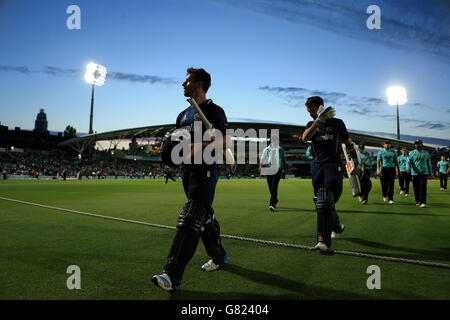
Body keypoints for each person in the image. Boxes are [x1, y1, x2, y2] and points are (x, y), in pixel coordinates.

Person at [152, 67, 229, 292]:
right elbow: (177, 143)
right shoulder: (182, 115)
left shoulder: (215, 111)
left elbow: (224, 142)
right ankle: (220, 256)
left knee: (191, 215)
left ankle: (170, 274)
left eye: (187, 80)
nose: (182, 84)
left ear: (200, 83)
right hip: (186, 171)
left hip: (205, 170)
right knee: (203, 217)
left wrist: (199, 146)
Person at [301, 96, 354, 251]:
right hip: (317, 165)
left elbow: (349, 144)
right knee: (321, 201)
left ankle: (322, 241)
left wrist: (356, 162)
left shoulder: (337, 123)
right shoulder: (311, 124)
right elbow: (304, 138)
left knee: (326, 198)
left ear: (320, 107)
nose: (310, 114)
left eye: (311, 110)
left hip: (334, 164)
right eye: (308, 111)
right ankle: (336, 226)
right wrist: (317, 122)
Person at [259, 133, 286, 211]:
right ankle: (275, 200)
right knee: (270, 187)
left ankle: (272, 204)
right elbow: (262, 159)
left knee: (274, 187)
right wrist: (260, 167)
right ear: (273, 140)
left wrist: (284, 172)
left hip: (278, 170)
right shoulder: (266, 149)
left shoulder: (280, 149)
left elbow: (284, 160)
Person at [409, 140, 432, 208]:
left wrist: (430, 172)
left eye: (419, 144)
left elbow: (429, 163)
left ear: (422, 144)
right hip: (414, 173)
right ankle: (418, 201)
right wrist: (408, 168)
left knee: (423, 188)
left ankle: (423, 202)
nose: (417, 145)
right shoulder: (411, 153)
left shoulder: (426, 153)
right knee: (416, 188)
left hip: (424, 172)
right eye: (416, 144)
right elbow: (408, 162)